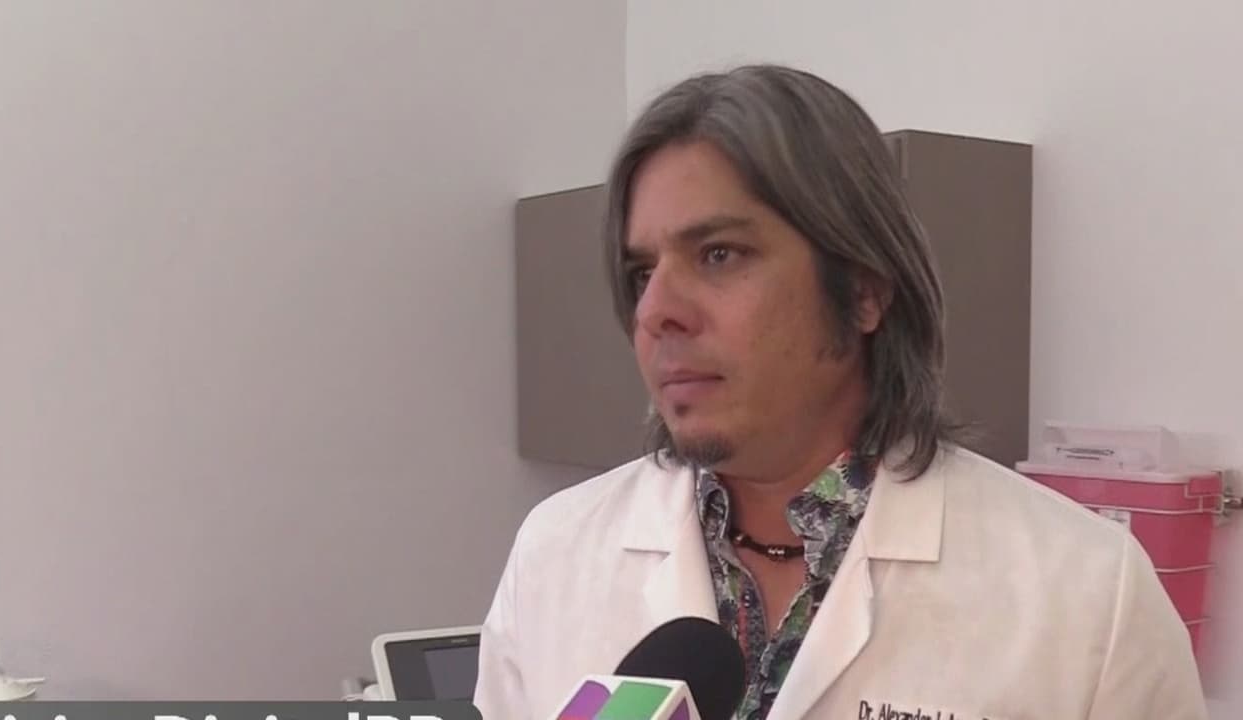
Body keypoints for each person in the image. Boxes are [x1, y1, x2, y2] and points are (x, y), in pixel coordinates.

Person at [473, 64, 1207, 720]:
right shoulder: (556, 555)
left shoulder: (1088, 596)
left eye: (719, 254)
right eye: (642, 273)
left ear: (863, 290)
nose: (656, 311)